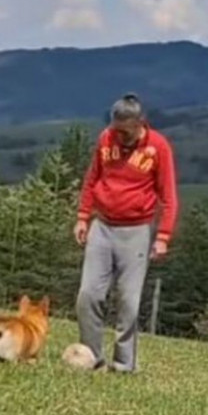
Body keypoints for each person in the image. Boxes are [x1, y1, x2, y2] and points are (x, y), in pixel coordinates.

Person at [74, 92, 178, 372]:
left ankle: (124, 365)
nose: (119, 136)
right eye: (115, 129)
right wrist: (83, 216)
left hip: (136, 230)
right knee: (88, 295)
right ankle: (91, 359)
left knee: (128, 302)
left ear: (139, 123)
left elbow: (168, 196)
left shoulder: (158, 147)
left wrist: (163, 236)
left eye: (125, 132)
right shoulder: (106, 139)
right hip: (102, 225)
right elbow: (92, 178)